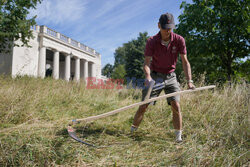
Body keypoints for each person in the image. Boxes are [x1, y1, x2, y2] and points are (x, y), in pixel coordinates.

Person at [131, 12, 195, 143]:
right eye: (165, 28)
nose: (167, 31)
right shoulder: (151, 41)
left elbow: (185, 62)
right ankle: (132, 132)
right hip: (155, 76)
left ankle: (178, 138)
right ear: (159, 26)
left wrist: (190, 81)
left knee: (176, 105)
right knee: (144, 105)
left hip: (171, 76)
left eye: (170, 28)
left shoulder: (179, 40)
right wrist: (148, 77)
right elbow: (146, 64)